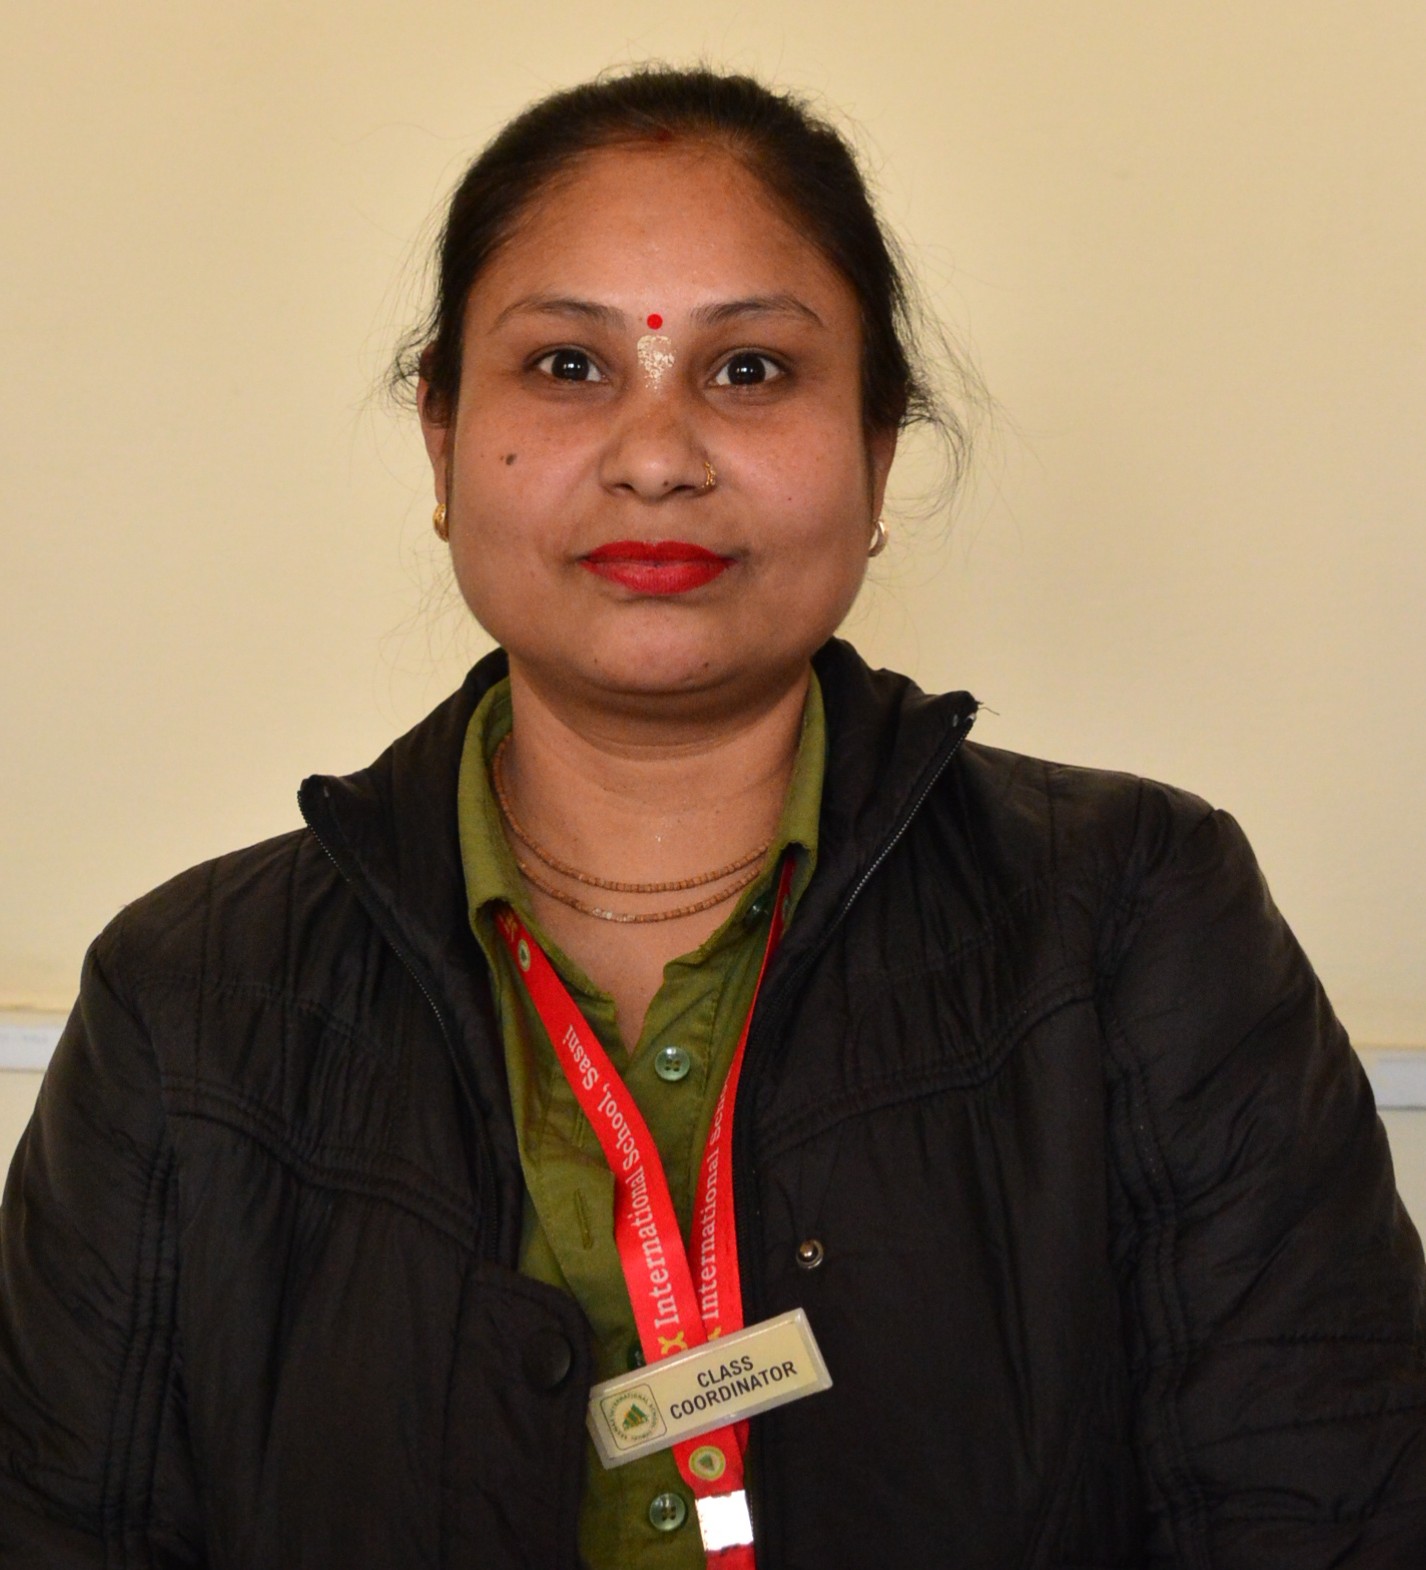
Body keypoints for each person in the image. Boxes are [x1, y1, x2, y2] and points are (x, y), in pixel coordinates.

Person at [2, 65, 1423, 1570]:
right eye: (567, 364)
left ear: (878, 447)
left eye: (748, 369)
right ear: (440, 436)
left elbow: (1328, 1512)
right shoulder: (190, 1002)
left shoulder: (1136, 917)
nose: (657, 455)